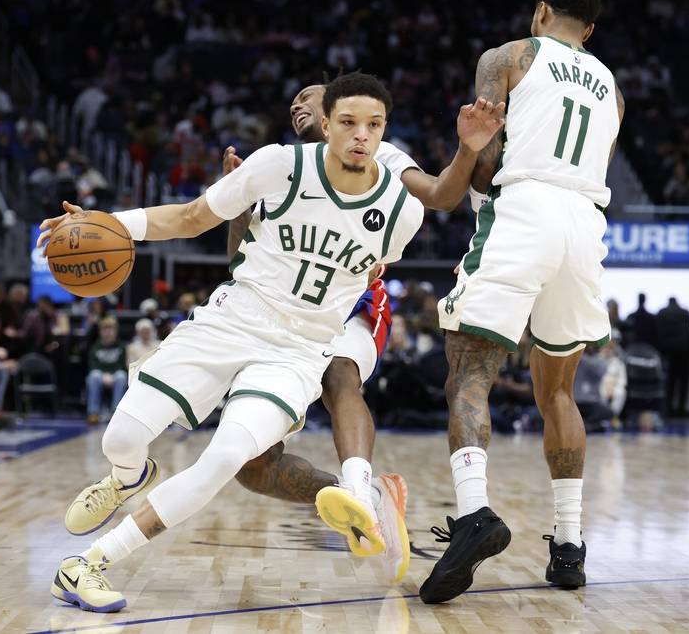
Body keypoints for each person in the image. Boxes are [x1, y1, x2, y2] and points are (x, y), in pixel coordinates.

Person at [37, 74, 481, 613]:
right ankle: (128, 475)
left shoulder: (402, 211)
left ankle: (88, 562)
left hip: (298, 351)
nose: (361, 135)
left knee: (226, 457)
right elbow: (191, 218)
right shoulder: (276, 165)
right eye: (348, 122)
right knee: (122, 439)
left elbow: (370, 274)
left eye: (373, 125)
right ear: (327, 125)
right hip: (233, 319)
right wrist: (107, 222)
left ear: (385, 131)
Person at [221, 78, 503, 582]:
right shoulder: (278, 165)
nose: (296, 103)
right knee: (252, 468)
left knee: (339, 376)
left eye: (308, 95)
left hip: (352, 299)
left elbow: (441, 195)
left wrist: (467, 148)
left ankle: (356, 482)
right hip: (284, 314)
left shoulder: (379, 153)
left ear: (333, 109)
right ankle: (364, 498)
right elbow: (238, 262)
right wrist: (238, 206)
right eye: (293, 100)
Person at [426, 0, 623, 602]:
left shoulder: (511, 56)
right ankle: (569, 544)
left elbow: (484, 155)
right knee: (558, 391)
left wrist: (474, 186)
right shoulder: (613, 90)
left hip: (525, 208)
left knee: (470, 371)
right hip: (585, 224)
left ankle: (474, 514)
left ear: (541, 12)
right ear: (589, 30)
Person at [85, 317, 128, 425]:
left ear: (116, 331)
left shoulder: (121, 347)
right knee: (94, 376)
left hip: (115, 375)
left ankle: (115, 412)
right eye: (105, 330)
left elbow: (122, 365)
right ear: (100, 332)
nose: (108, 333)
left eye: (111, 330)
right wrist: (104, 376)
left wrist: (110, 375)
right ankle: (93, 412)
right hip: (100, 376)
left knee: (121, 376)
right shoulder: (95, 347)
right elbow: (92, 366)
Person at [655, 297, 689, 418]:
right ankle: (681, 410)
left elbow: (658, 333)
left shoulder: (662, 313)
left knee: (669, 383)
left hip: (667, 353)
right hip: (683, 353)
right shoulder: (685, 313)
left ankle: (668, 410)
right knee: (683, 384)